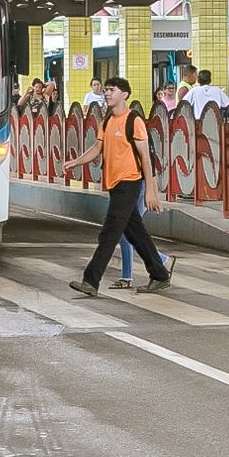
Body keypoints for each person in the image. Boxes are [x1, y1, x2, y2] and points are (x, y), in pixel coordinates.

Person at [61, 76, 173, 296]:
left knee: (110, 232)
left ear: (125, 94)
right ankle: (159, 275)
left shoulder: (134, 121)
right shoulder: (108, 121)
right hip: (114, 183)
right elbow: (96, 147)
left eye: (112, 90)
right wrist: (76, 161)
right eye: (106, 90)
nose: (107, 93)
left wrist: (151, 190)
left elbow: (146, 159)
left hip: (129, 182)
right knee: (135, 233)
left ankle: (91, 281)